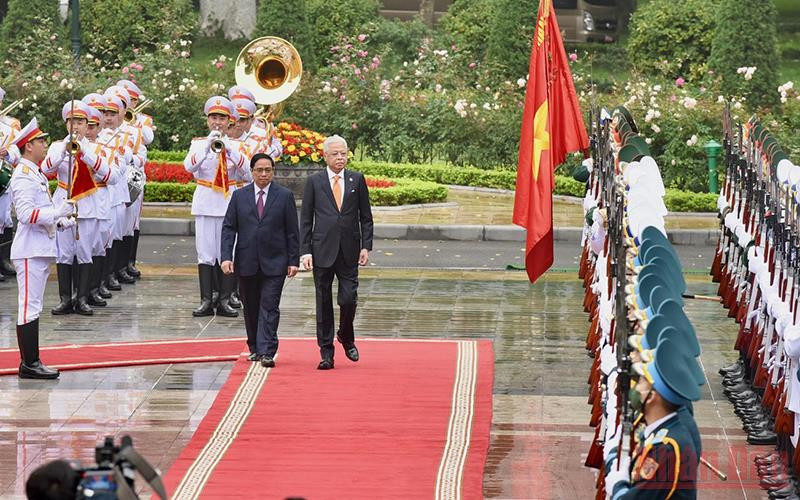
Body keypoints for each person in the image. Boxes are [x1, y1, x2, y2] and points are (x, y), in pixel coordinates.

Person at [9, 118, 75, 379]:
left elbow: (41, 212)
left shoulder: (35, 173)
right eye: (40, 141)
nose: (45, 145)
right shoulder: (24, 175)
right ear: (28, 146)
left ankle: (32, 361)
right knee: (29, 306)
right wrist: (57, 211)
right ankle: (29, 363)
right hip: (29, 250)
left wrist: (60, 221)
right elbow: (26, 215)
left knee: (33, 305)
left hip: (39, 248)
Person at [300, 135, 373, 370]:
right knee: (323, 302)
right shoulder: (315, 182)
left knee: (348, 298)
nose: (340, 157)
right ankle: (326, 353)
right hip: (321, 250)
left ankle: (346, 335)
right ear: (325, 156)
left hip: (349, 250)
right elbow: (305, 219)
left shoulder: (356, 179)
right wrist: (305, 251)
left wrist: (366, 246)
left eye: (343, 153)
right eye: (335, 154)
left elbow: (366, 216)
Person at [221, 153, 299, 367]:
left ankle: (267, 351)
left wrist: (293, 260)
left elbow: (292, 231)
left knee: (270, 306)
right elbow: (229, 228)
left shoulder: (284, 196)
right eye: (259, 170)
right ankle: (255, 347)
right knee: (251, 307)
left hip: (276, 262)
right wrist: (226, 257)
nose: (264, 174)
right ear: (252, 172)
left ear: (273, 172)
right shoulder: (239, 196)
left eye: (268, 170)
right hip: (246, 262)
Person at [606, 338, 701, 499]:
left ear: (652, 396)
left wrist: (617, 485)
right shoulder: (660, 431)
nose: (636, 386)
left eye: (642, 381)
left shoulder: (666, 448)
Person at [43, 100, 111, 316]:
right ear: (66, 124)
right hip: (64, 201)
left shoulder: (95, 147)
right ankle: (65, 299)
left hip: (87, 204)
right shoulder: (57, 146)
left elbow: (109, 174)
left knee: (84, 253)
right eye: (72, 122)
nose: (76, 126)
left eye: (80, 122)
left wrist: (85, 153)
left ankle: (82, 298)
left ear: (86, 124)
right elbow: (46, 168)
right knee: (63, 253)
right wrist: (64, 151)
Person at [183, 96, 249, 317]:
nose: (217, 122)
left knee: (227, 251)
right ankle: (206, 299)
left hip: (229, 203)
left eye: (222, 118)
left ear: (229, 121)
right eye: (213, 118)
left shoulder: (237, 145)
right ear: (207, 119)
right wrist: (206, 148)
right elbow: (189, 167)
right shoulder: (198, 143)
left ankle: (224, 299)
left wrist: (229, 149)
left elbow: (248, 173)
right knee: (205, 252)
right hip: (205, 203)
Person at [0, 85, 22, 282]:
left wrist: (7, 152)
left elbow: (17, 153)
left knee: (4, 218)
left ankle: (4, 260)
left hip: (2, 179)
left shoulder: (9, 129)